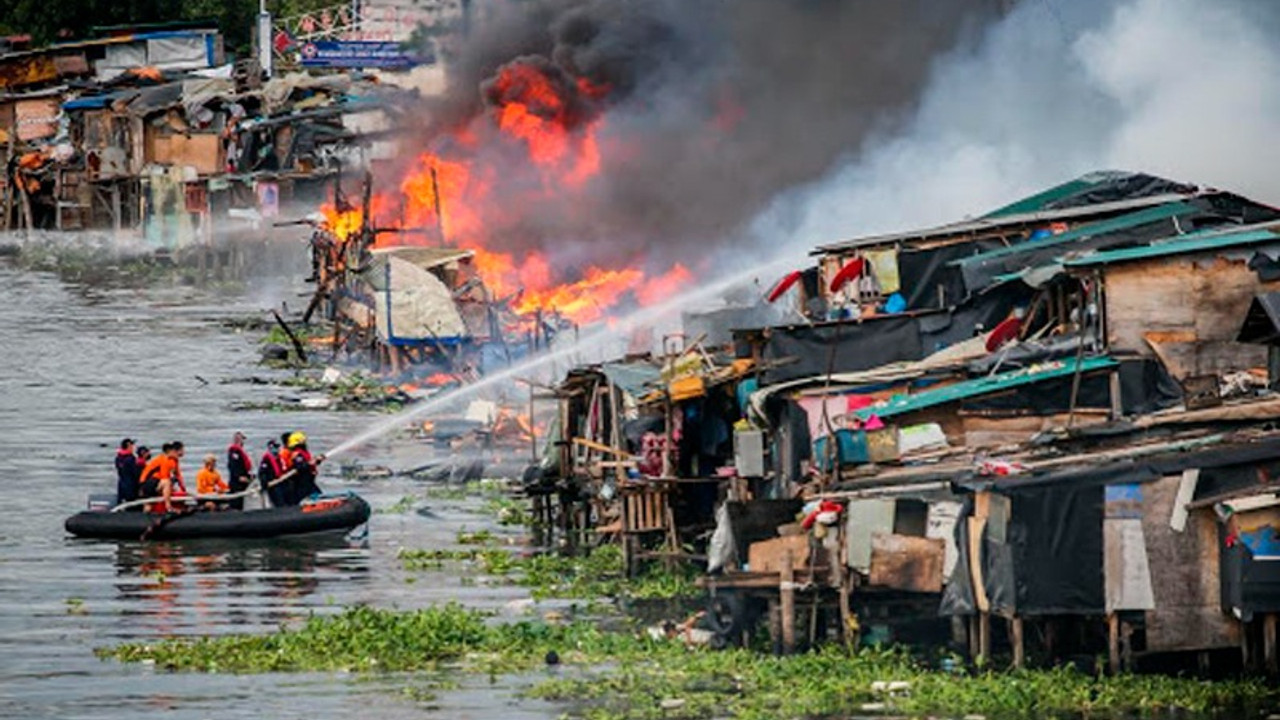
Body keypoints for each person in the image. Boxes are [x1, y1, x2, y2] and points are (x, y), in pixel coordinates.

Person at [285, 431, 324, 504]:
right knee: (302, 497)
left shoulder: (302, 453)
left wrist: (318, 460)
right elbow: (300, 467)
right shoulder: (297, 454)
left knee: (317, 495)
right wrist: (311, 463)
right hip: (302, 481)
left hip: (308, 481)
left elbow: (309, 463)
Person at [258, 439, 289, 508]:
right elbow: (262, 472)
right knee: (278, 501)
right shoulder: (266, 460)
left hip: (281, 482)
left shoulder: (279, 459)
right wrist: (264, 482)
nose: (278, 449)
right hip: (273, 484)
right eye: (276, 447)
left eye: (278, 447)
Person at [226, 432, 252, 511]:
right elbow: (233, 466)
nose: (242, 442)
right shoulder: (234, 451)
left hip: (242, 479)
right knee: (237, 499)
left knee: (242, 499)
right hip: (237, 481)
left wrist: (249, 475)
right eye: (241, 440)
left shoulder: (239, 451)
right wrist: (239, 477)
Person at [115, 438, 140, 508]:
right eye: (132, 445)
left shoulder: (118, 458)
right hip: (131, 484)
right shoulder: (131, 459)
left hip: (121, 483)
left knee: (122, 501)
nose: (133, 447)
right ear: (128, 446)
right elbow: (135, 473)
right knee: (132, 503)